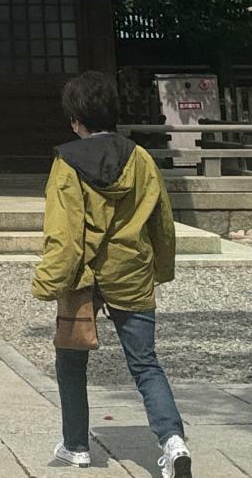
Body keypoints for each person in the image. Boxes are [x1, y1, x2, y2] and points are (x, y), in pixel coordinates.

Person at [32, 70, 191, 476]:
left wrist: (47, 282)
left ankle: (77, 446)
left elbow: (64, 235)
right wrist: (162, 268)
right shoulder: (141, 159)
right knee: (145, 364)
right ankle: (173, 442)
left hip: (83, 279)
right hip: (131, 272)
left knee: (70, 361)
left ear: (75, 120)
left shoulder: (66, 161)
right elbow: (163, 221)